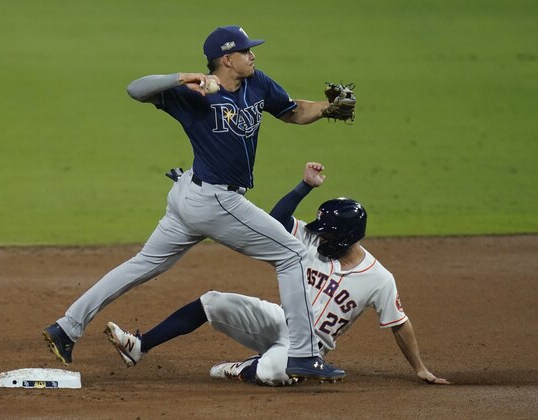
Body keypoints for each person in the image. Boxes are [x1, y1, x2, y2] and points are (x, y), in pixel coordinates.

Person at [42, 25, 347, 380]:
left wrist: (326, 108)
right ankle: (303, 353)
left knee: (142, 264)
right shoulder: (193, 95)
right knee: (292, 254)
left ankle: (66, 327)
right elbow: (135, 89)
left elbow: (292, 110)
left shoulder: (257, 82)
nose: (253, 55)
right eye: (246, 51)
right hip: (214, 200)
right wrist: (184, 78)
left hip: (194, 194)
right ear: (227, 59)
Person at [103, 162, 451, 386]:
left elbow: (399, 323)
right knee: (213, 302)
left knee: (274, 371)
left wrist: (419, 368)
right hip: (279, 320)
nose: (319, 235)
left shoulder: (379, 279)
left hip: (309, 348)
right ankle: (139, 346)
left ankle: (247, 368)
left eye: (327, 232)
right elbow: (278, 219)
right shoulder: (312, 243)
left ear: (346, 236)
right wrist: (304, 186)